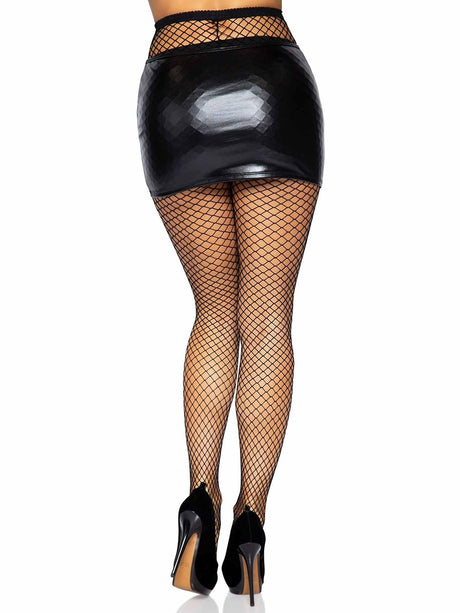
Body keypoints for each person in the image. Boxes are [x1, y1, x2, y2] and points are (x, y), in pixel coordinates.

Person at [137, 0, 324, 605]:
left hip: (178, 82)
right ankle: (251, 524)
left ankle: (201, 499)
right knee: (267, 320)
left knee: (214, 309)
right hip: (271, 80)